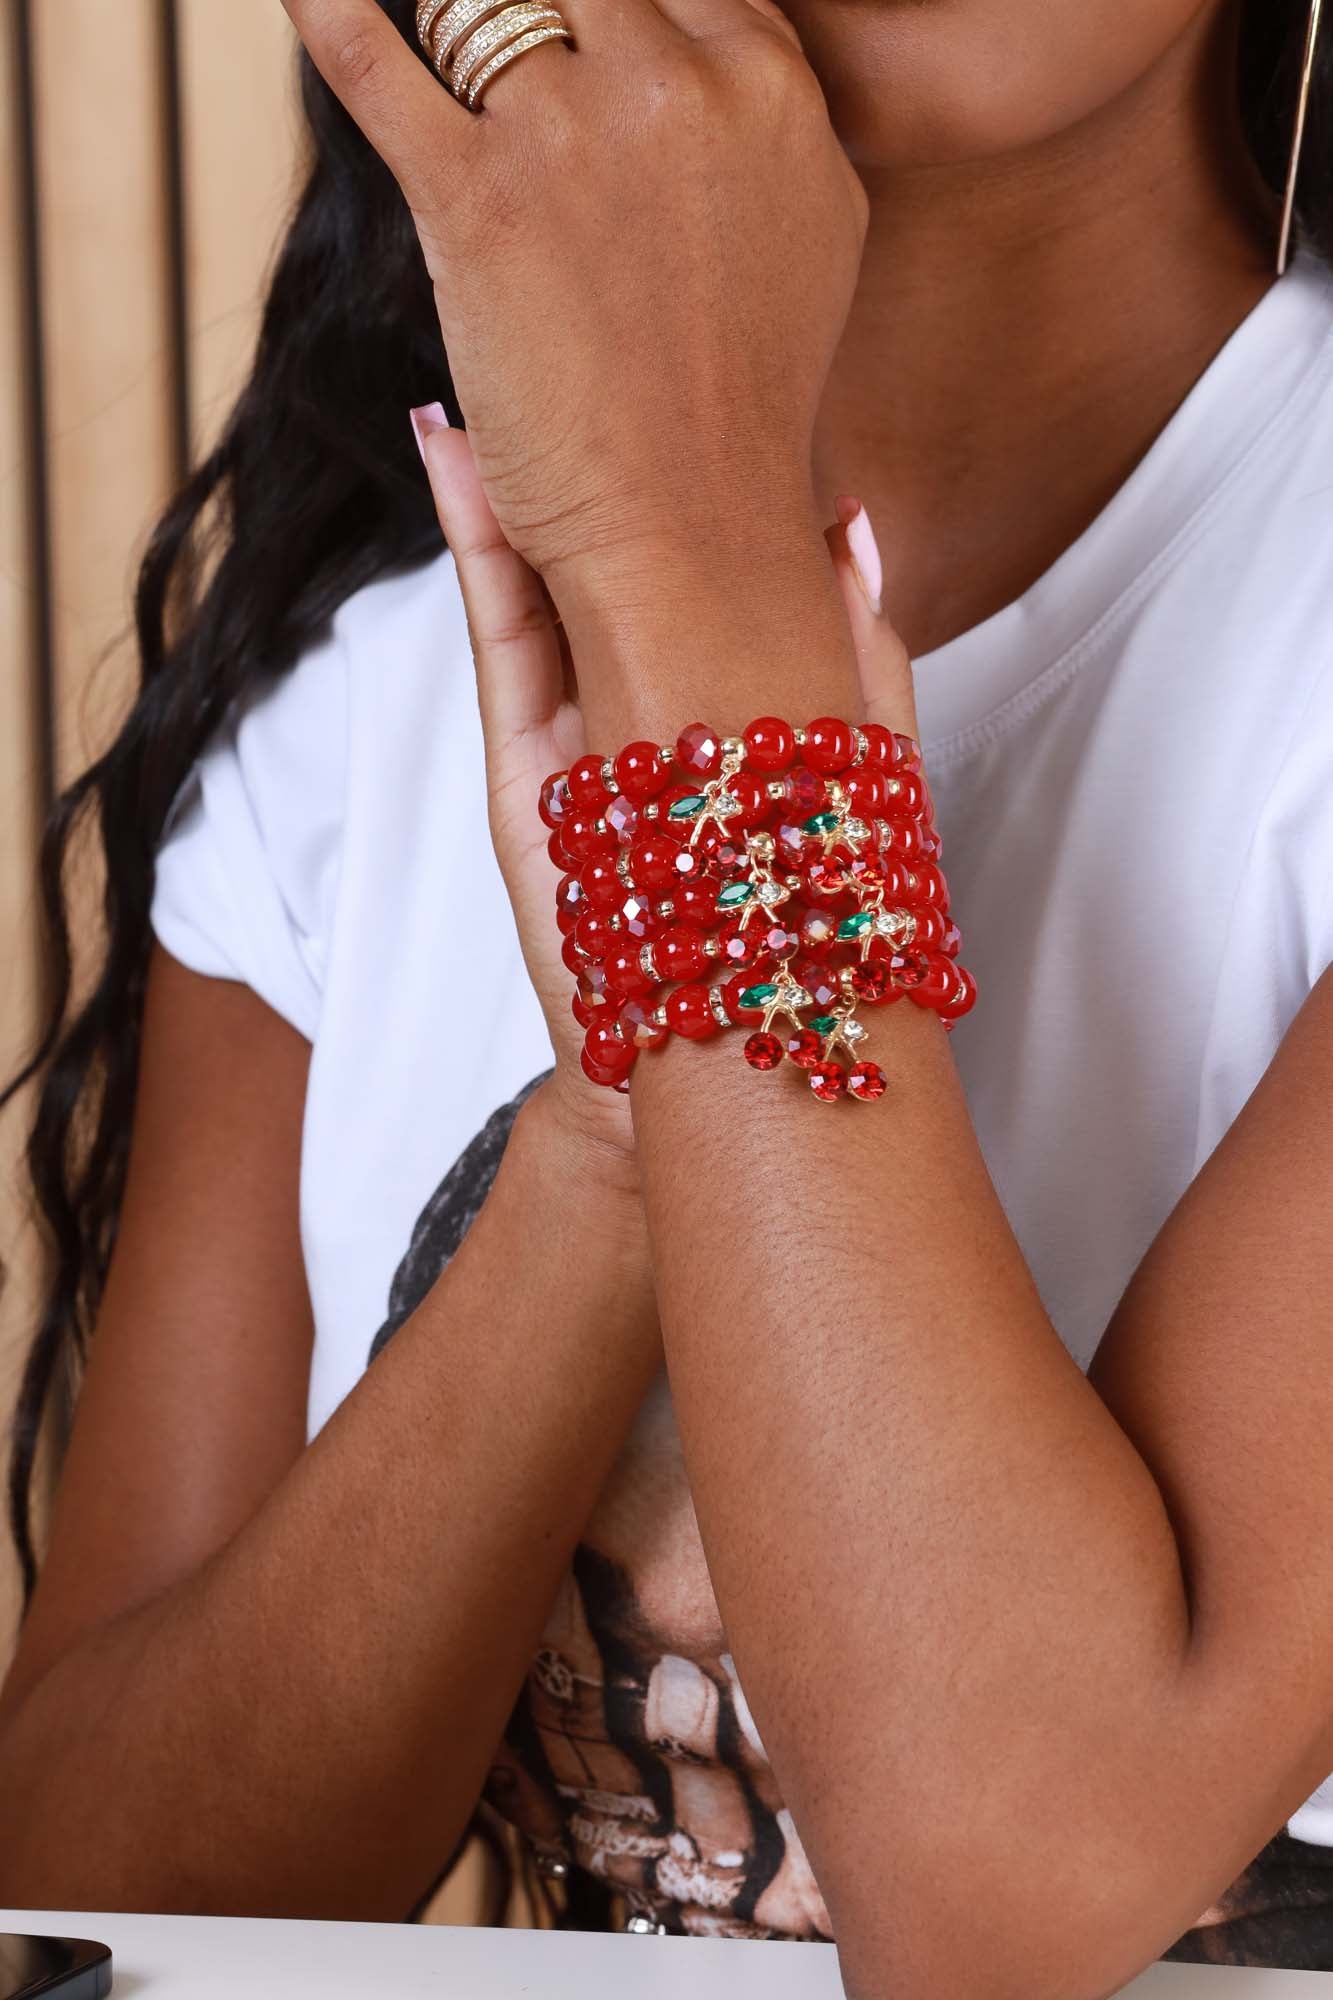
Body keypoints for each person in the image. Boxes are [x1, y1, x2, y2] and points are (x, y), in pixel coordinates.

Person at [3, 0, 1333, 1985]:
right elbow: (108, 1894)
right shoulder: (341, 743)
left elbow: (1005, 1885)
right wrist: (620, 1128)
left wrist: (697, 587)